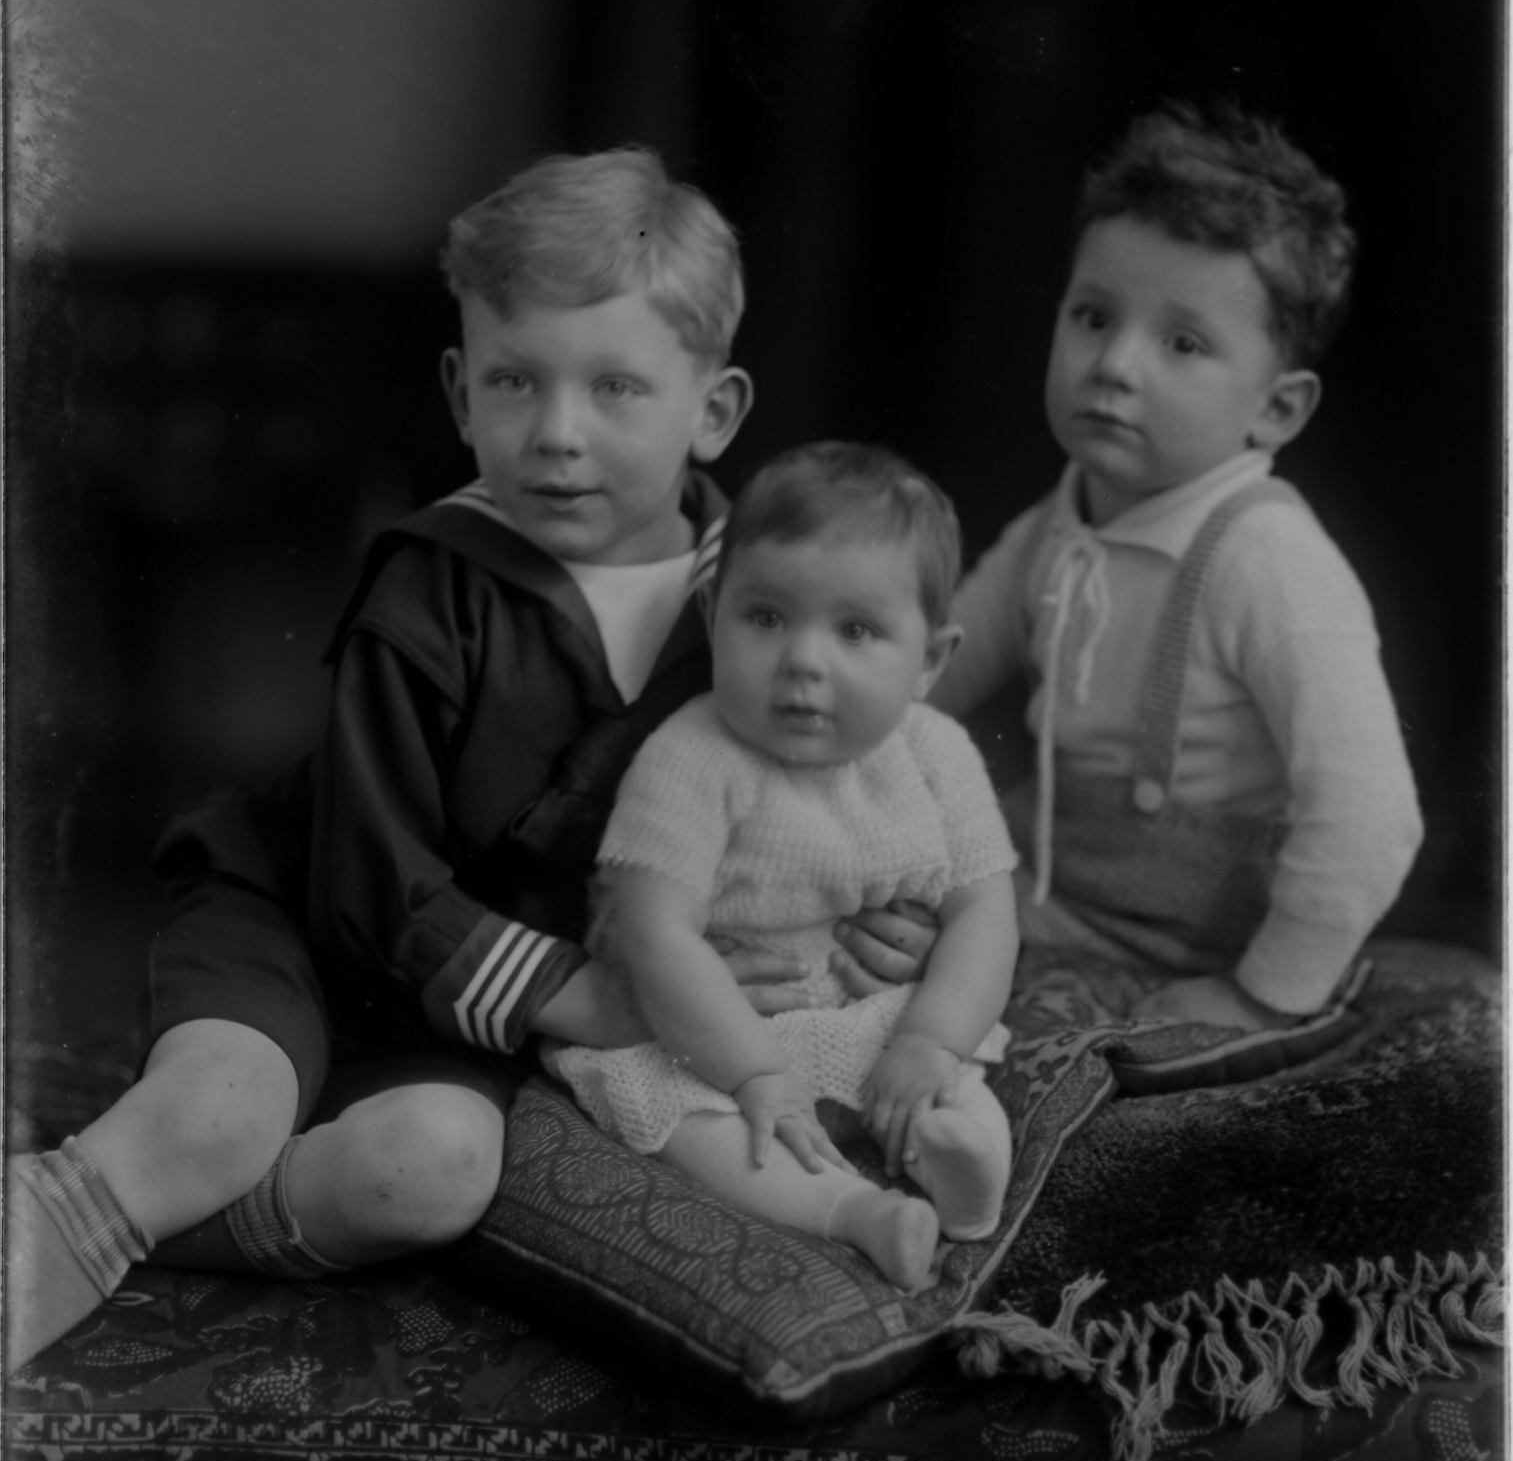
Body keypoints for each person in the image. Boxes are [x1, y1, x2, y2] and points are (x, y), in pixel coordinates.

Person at [7, 150, 928, 1371]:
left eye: (614, 387)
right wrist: (593, 997)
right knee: (219, 1112)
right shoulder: (429, 587)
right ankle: (88, 1204)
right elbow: (369, 887)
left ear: (713, 410)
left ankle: (152, 1221)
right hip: (309, 921)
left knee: (430, 1171)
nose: (557, 434)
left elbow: (840, 795)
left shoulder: (775, 609)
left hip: (465, 1019)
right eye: (514, 380)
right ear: (459, 391)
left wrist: (876, 911)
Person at [932, 103, 1423, 1039]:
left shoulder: (1267, 561)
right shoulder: (1062, 517)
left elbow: (1371, 817)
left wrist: (1260, 995)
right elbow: (934, 670)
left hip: (1187, 944)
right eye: (1092, 317)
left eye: (1182, 343)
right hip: (1051, 888)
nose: (1113, 365)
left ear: (1275, 411)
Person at [548, 444, 1020, 1295]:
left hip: (877, 1014)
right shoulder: (692, 756)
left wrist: (929, 1041)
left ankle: (962, 1168)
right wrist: (754, 1071)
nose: (803, 660)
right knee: (695, 1122)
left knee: (949, 1078)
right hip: (713, 1029)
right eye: (765, 618)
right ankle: (854, 1211)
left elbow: (985, 909)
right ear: (712, 613)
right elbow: (655, 934)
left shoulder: (937, 752)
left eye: (855, 631)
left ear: (929, 660)